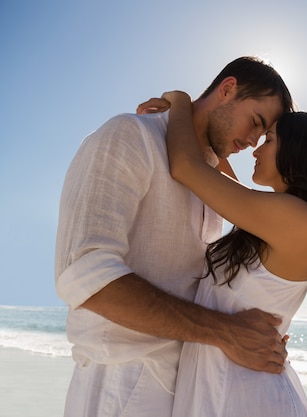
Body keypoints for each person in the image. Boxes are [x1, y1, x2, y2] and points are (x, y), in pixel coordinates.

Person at [54, 57, 293, 417]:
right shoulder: (130, 135)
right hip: (122, 385)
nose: (252, 141)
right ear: (227, 89)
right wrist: (228, 332)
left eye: (264, 135)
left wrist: (256, 335)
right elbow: (86, 276)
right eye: (255, 122)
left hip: (188, 387)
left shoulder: (210, 181)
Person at [156, 91, 307, 417]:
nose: (256, 147)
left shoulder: (299, 219)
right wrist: (199, 124)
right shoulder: (283, 216)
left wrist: (181, 101)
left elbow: (186, 166)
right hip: (229, 388)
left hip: (246, 396)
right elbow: (220, 174)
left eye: (268, 139)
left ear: (298, 153)